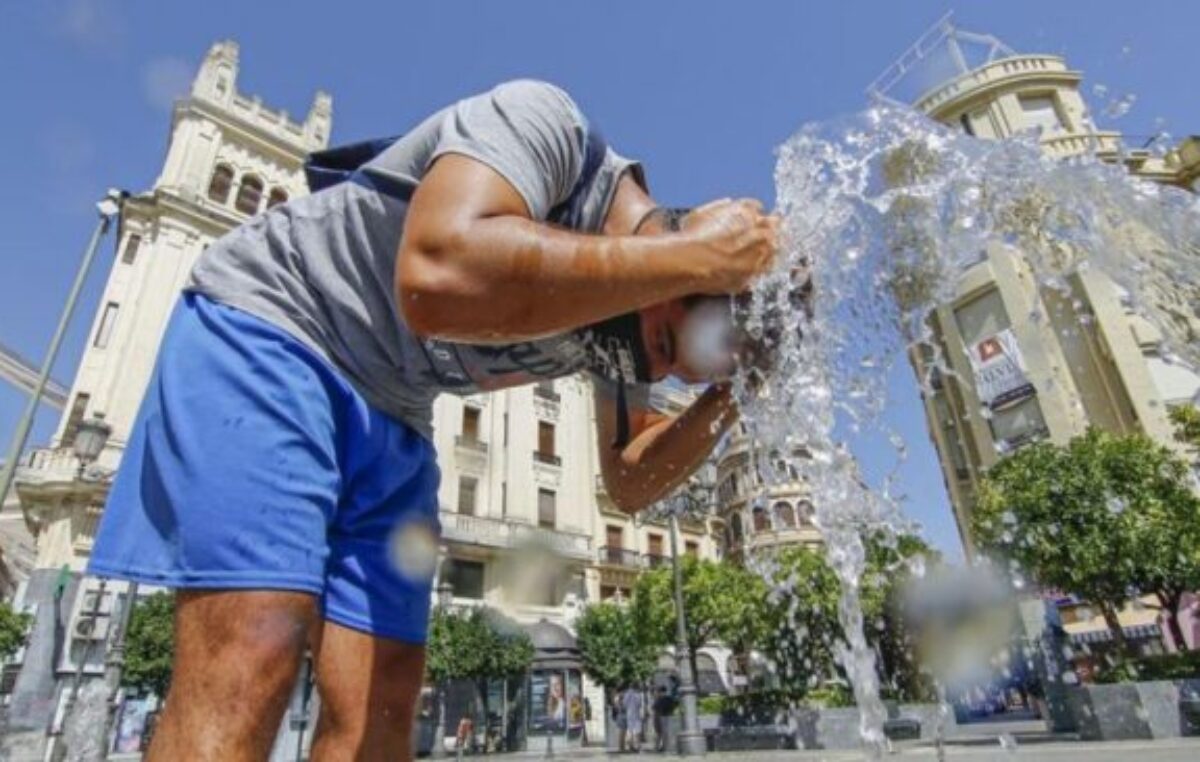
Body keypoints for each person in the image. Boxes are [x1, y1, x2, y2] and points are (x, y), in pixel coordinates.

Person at [88, 79, 779, 761]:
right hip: (283, 322)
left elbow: (630, 481)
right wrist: (698, 257)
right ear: (689, 251)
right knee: (255, 649)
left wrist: (733, 393)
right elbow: (434, 276)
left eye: (680, 373)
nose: (654, 371)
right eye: (663, 344)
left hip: (396, 410)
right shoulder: (549, 126)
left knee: (385, 702)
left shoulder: (636, 318)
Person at [621, 686, 644, 753]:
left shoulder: (626, 694)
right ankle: (638, 746)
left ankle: (631, 746)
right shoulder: (638, 695)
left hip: (629, 714)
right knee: (637, 731)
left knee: (630, 730)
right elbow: (639, 704)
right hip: (636, 714)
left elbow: (624, 704)